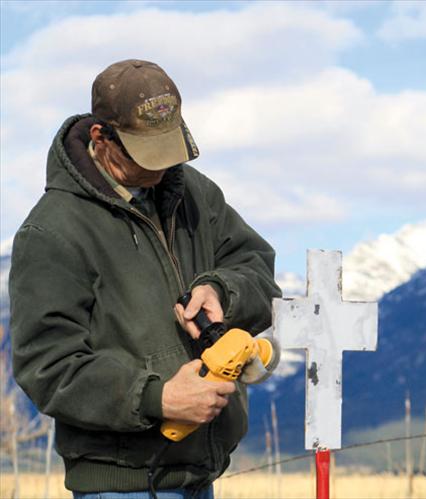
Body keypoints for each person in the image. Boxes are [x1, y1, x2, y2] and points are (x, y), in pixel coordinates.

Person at [9, 59, 281, 498]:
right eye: (145, 153)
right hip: (121, 485)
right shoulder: (51, 232)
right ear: (102, 138)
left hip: (200, 476)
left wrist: (221, 290)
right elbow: (48, 366)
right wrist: (158, 400)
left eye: (168, 147)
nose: (161, 167)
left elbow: (256, 265)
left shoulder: (193, 192)